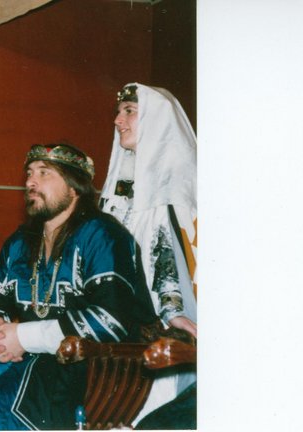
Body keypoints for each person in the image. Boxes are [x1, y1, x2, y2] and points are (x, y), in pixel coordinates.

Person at [0, 143, 156, 431]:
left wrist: (23, 337)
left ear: (74, 187)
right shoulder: (21, 241)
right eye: (29, 173)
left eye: (44, 173)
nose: (31, 182)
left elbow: (110, 320)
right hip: (20, 359)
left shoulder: (104, 235)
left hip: (85, 368)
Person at [100, 83, 198, 424]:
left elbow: (166, 252)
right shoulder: (118, 193)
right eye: (118, 112)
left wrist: (173, 311)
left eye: (129, 111)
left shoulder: (176, 190)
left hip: (158, 327)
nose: (118, 120)